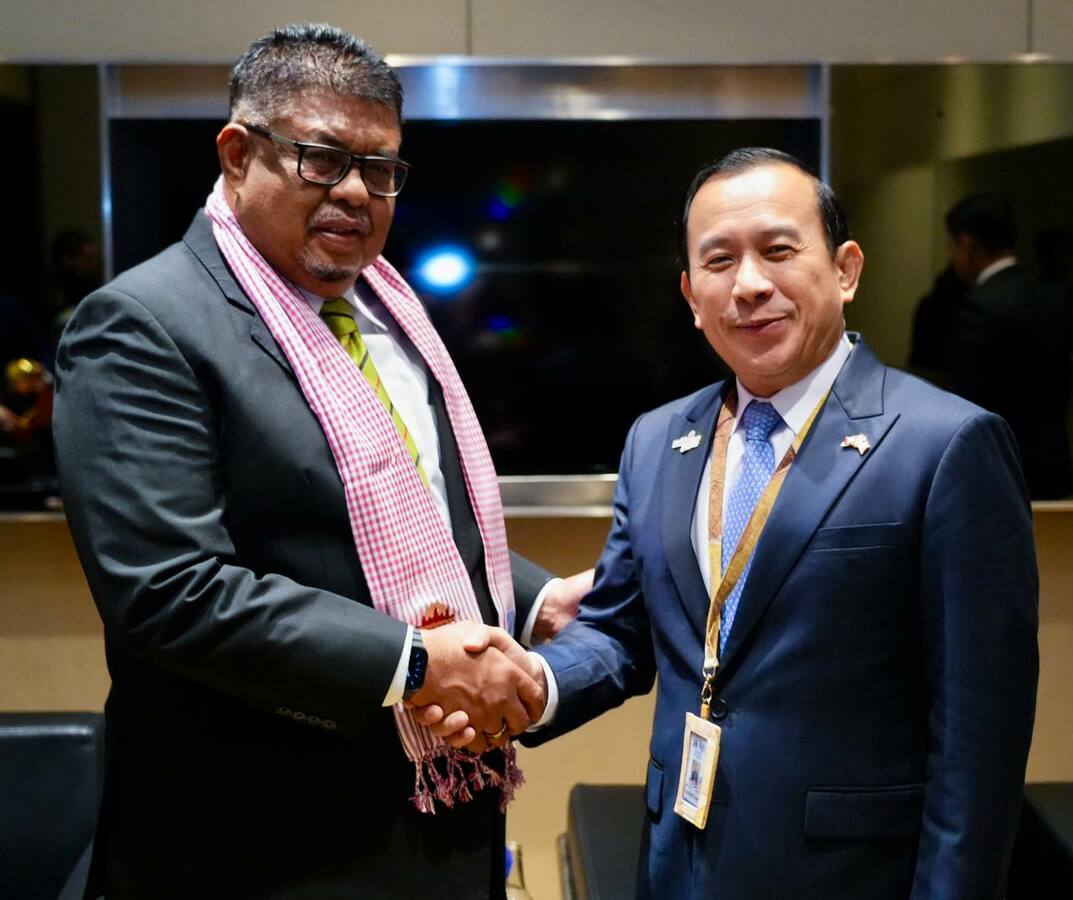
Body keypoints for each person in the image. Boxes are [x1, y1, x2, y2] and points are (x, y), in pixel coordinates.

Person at [53, 23, 588, 900]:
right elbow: (168, 591)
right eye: (322, 158)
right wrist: (414, 662)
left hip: (442, 813)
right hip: (260, 840)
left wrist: (529, 600)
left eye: (380, 168)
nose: (354, 192)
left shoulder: (388, 310)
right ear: (237, 153)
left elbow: (415, 516)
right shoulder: (143, 324)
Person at [474, 149, 1037, 897]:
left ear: (845, 269)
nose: (749, 285)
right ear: (690, 293)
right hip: (677, 864)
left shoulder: (945, 444)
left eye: (777, 250)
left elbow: (979, 736)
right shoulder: (657, 439)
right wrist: (533, 683)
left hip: (850, 877)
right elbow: (619, 629)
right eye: (719, 261)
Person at [945, 193, 1073, 498]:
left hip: (997, 471)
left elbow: (967, 404)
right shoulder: (1053, 298)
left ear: (965, 243)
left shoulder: (977, 309)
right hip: (1053, 465)